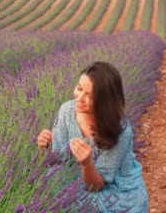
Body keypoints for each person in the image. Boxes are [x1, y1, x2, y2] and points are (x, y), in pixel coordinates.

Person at [37, 61, 149, 213]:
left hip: (116, 189)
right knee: (48, 183)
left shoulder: (120, 130)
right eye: (79, 88)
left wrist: (86, 163)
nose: (79, 98)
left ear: (105, 102)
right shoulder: (67, 111)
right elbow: (57, 159)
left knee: (86, 205)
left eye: (89, 95)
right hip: (75, 178)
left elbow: (95, 186)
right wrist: (45, 147)